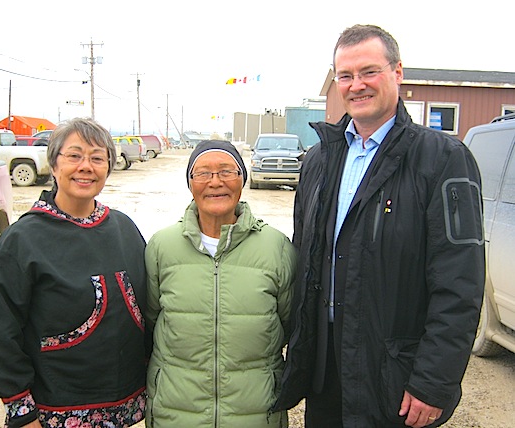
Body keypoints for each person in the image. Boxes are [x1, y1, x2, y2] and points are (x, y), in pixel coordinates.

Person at [273, 24, 485, 428]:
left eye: (369, 71)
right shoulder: (319, 160)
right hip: (325, 369)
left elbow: (460, 284)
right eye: (346, 76)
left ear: (397, 72)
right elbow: (306, 260)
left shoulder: (442, 160)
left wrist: (432, 382)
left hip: (392, 375)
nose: (357, 85)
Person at [0, 118, 148, 428]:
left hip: (124, 410)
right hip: (53, 411)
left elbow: (146, 310)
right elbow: (0, 333)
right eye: (74, 155)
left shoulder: (124, 229)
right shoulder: (22, 240)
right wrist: (21, 410)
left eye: (97, 158)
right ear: (54, 165)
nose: (86, 166)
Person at [144, 140, 296, 427]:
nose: (215, 183)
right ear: (190, 183)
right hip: (176, 412)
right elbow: (151, 320)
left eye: (227, 171)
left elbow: (288, 324)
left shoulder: (276, 247)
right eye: (202, 173)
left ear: (242, 179)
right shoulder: (162, 246)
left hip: (255, 413)